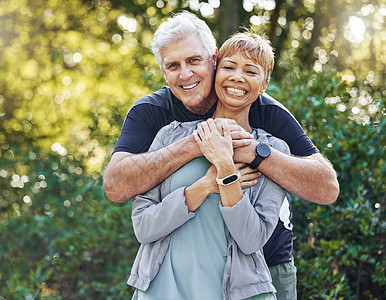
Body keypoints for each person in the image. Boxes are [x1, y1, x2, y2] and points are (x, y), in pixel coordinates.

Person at [103, 11, 339, 299]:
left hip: (266, 265)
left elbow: (326, 188)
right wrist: (196, 144)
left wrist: (253, 152)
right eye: (173, 65)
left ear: (212, 59)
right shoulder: (157, 118)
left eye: (193, 60)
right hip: (182, 272)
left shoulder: (266, 113)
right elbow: (117, 188)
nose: (185, 74)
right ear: (163, 73)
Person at [129, 31, 288, 299]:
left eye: (250, 71)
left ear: (264, 84)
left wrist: (226, 169)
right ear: (215, 72)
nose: (237, 77)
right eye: (228, 67)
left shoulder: (272, 151)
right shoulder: (170, 136)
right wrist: (203, 186)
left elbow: (251, 240)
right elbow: (143, 228)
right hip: (162, 291)